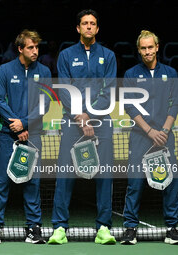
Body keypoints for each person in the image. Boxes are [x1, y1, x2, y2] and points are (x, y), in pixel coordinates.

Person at [49, 9, 117, 245]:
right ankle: (59, 227)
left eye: (93, 24)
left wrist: (91, 115)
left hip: (102, 122)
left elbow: (108, 91)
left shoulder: (108, 56)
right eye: (85, 24)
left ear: (97, 29)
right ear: (78, 28)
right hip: (72, 122)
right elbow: (65, 89)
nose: (89, 27)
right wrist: (80, 116)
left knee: (105, 175)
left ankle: (104, 228)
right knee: (65, 174)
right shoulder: (66, 55)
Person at [0, 29, 51, 244]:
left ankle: (34, 227)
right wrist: (15, 124)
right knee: (2, 182)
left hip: (33, 134)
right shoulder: (4, 70)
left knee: (32, 182)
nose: (35, 51)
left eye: (37, 47)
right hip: (7, 135)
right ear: (20, 49)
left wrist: (24, 123)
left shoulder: (44, 71)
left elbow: (45, 104)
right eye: (31, 47)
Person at [120, 30, 178, 245]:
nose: (147, 51)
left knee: (171, 181)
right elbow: (129, 106)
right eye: (143, 48)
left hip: (165, 135)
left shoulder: (171, 73)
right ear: (139, 50)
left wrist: (163, 131)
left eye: (150, 47)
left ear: (157, 47)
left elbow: (175, 104)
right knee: (135, 182)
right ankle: (130, 229)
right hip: (140, 136)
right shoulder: (130, 74)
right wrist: (149, 131)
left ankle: (172, 228)